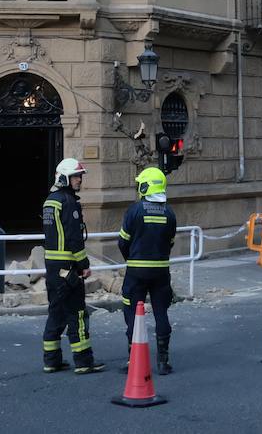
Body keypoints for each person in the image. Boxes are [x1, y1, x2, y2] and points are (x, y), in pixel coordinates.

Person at [41, 158, 104, 374]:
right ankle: (84, 361)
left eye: (80, 176)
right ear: (64, 178)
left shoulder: (50, 201)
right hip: (68, 266)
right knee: (77, 313)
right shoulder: (68, 202)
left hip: (51, 267)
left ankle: (51, 360)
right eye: (77, 176)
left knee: (55, 313)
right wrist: (84, 264)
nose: (80, 180)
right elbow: (74, 238)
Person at [118, 166, 178, 374]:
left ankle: (133, 360)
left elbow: (123, 242)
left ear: (145, 186)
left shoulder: (134, 210)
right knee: (161, 312)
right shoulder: (169, 213)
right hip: (161, 271)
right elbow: (170, 243)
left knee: (133, 312)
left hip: (136, 271)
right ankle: (163, 361)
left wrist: (131, 258)